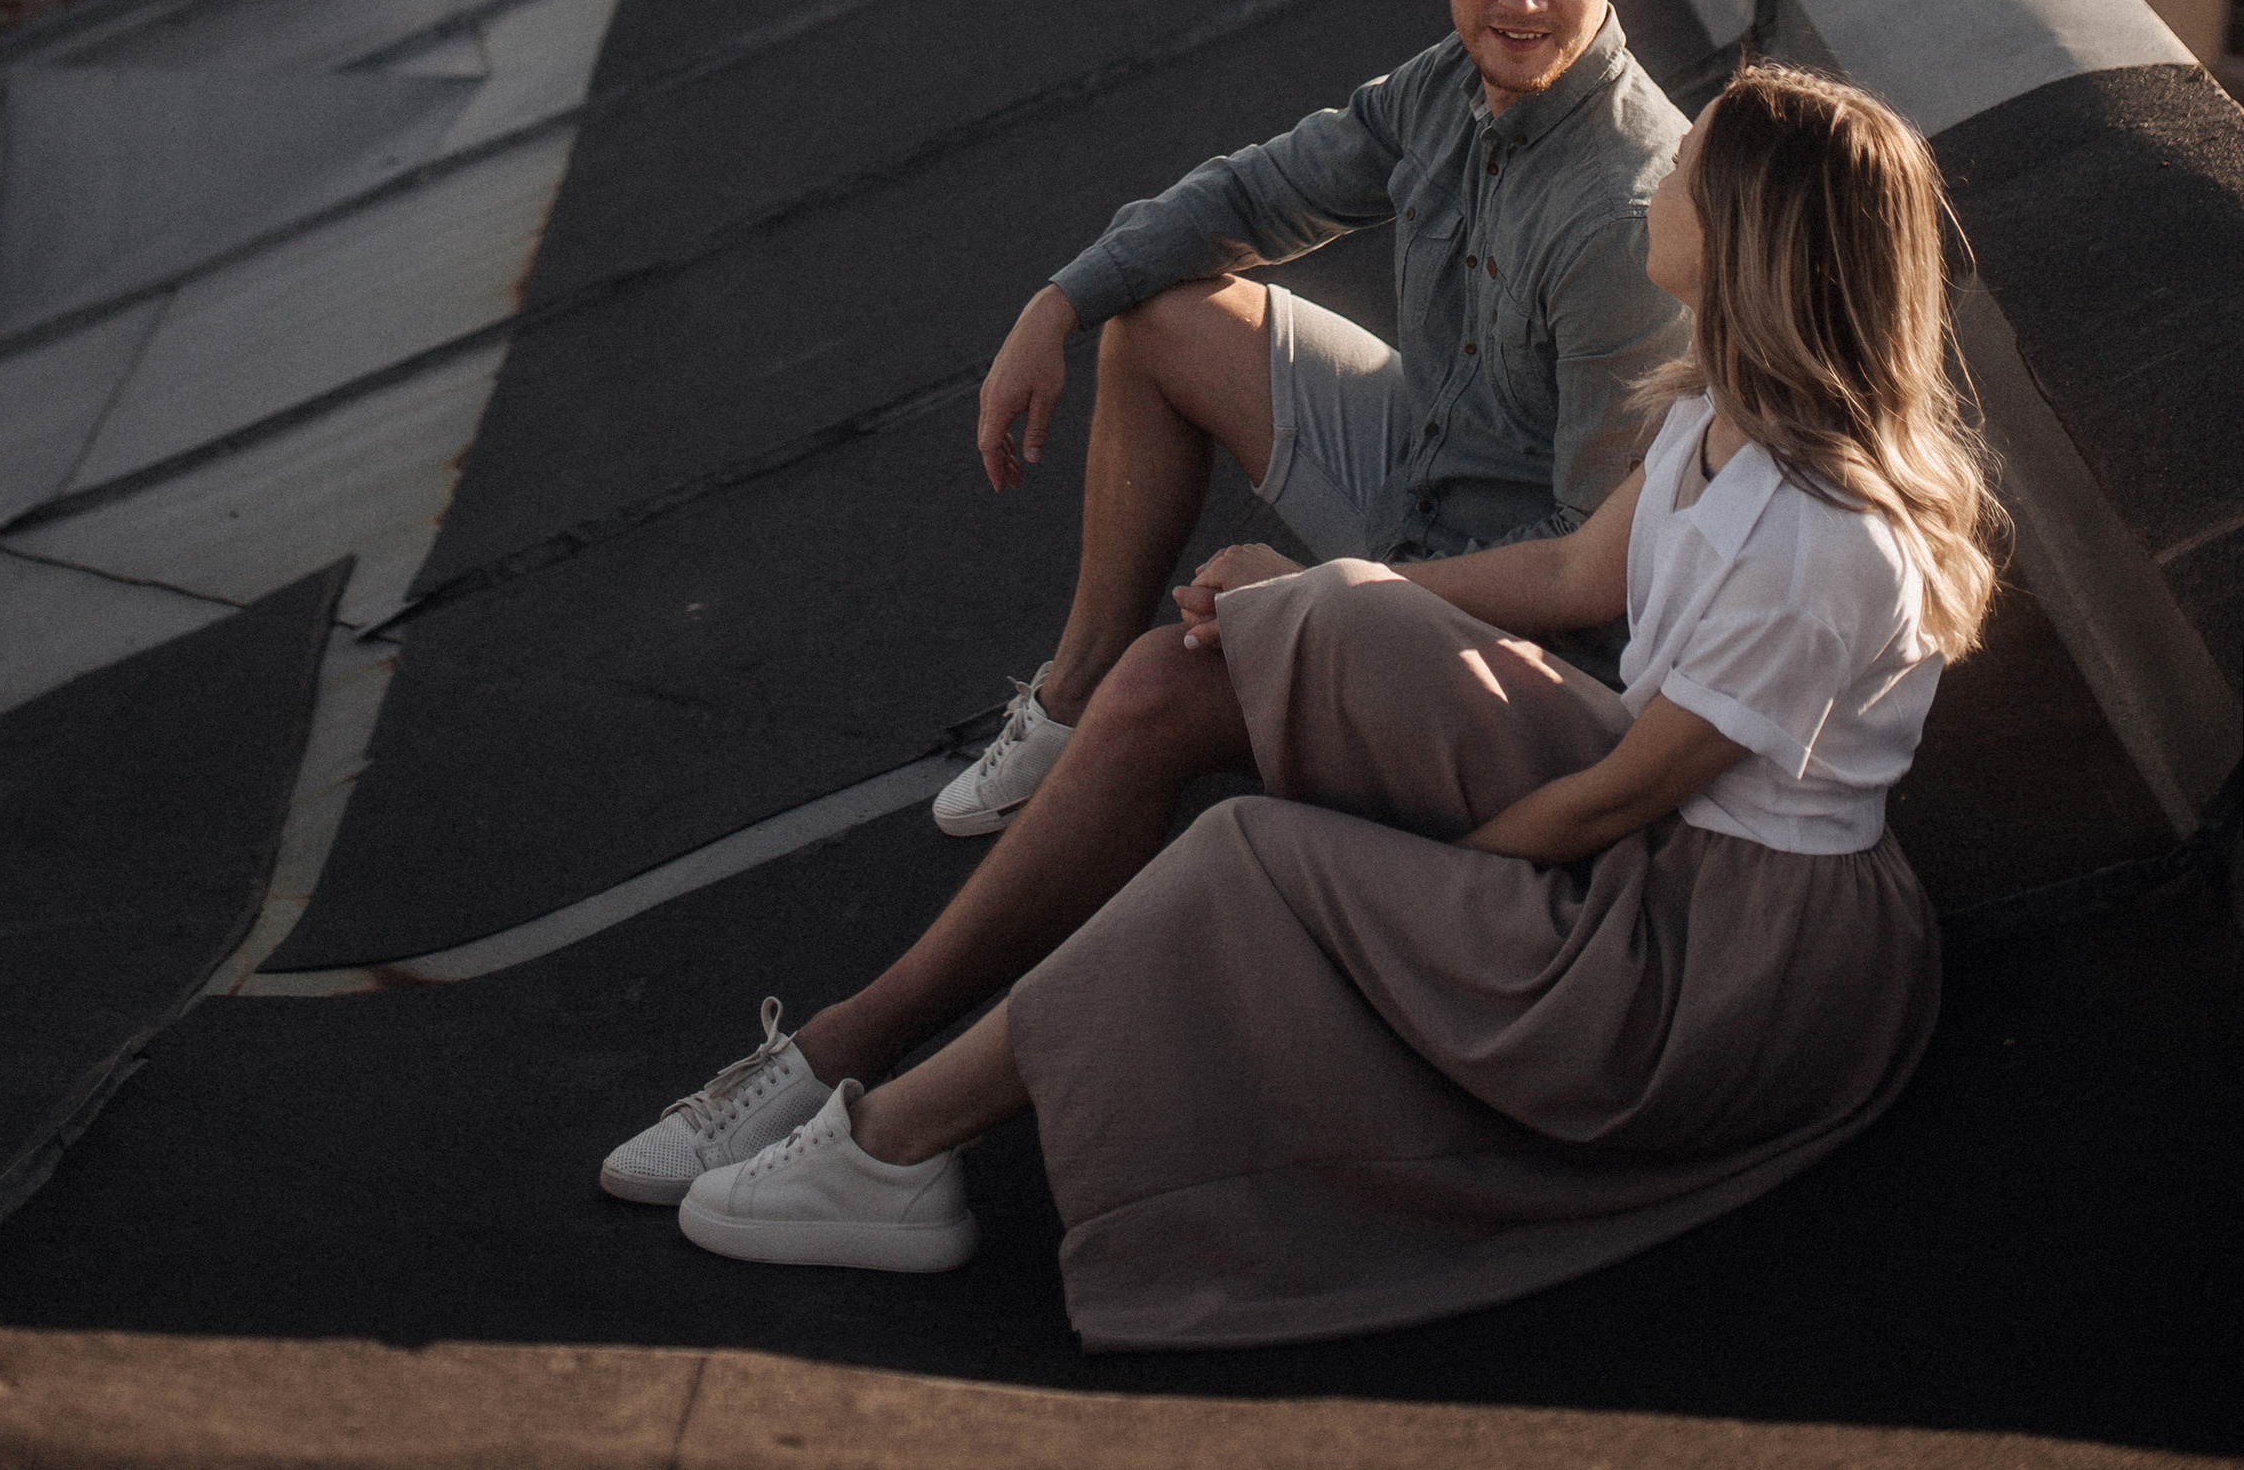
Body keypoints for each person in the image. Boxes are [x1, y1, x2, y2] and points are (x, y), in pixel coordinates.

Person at [631, 65, 1998, 1345]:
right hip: (1666, 827)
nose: (1660, 190)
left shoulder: (1824, 543)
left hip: (1731, 961)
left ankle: (898, 1150)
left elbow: (1622, 794)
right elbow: (1575, 568)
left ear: (1750, 237)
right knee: (1283, 629)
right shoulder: (1721, 406)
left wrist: (1399, 890)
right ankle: (839, 1045)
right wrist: (1323, 588)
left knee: (1254, 864)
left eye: (1687, 179)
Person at [931, 0, 1687, 839]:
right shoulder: (1448, 84)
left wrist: (1333, 594)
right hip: (1427, 464)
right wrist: (1054, 301)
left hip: (1529, 631)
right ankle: (1070, 696)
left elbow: (1585, 572)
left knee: (1172, 680)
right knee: (1151, 320)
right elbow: (1248, 196)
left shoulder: (1625, 215)